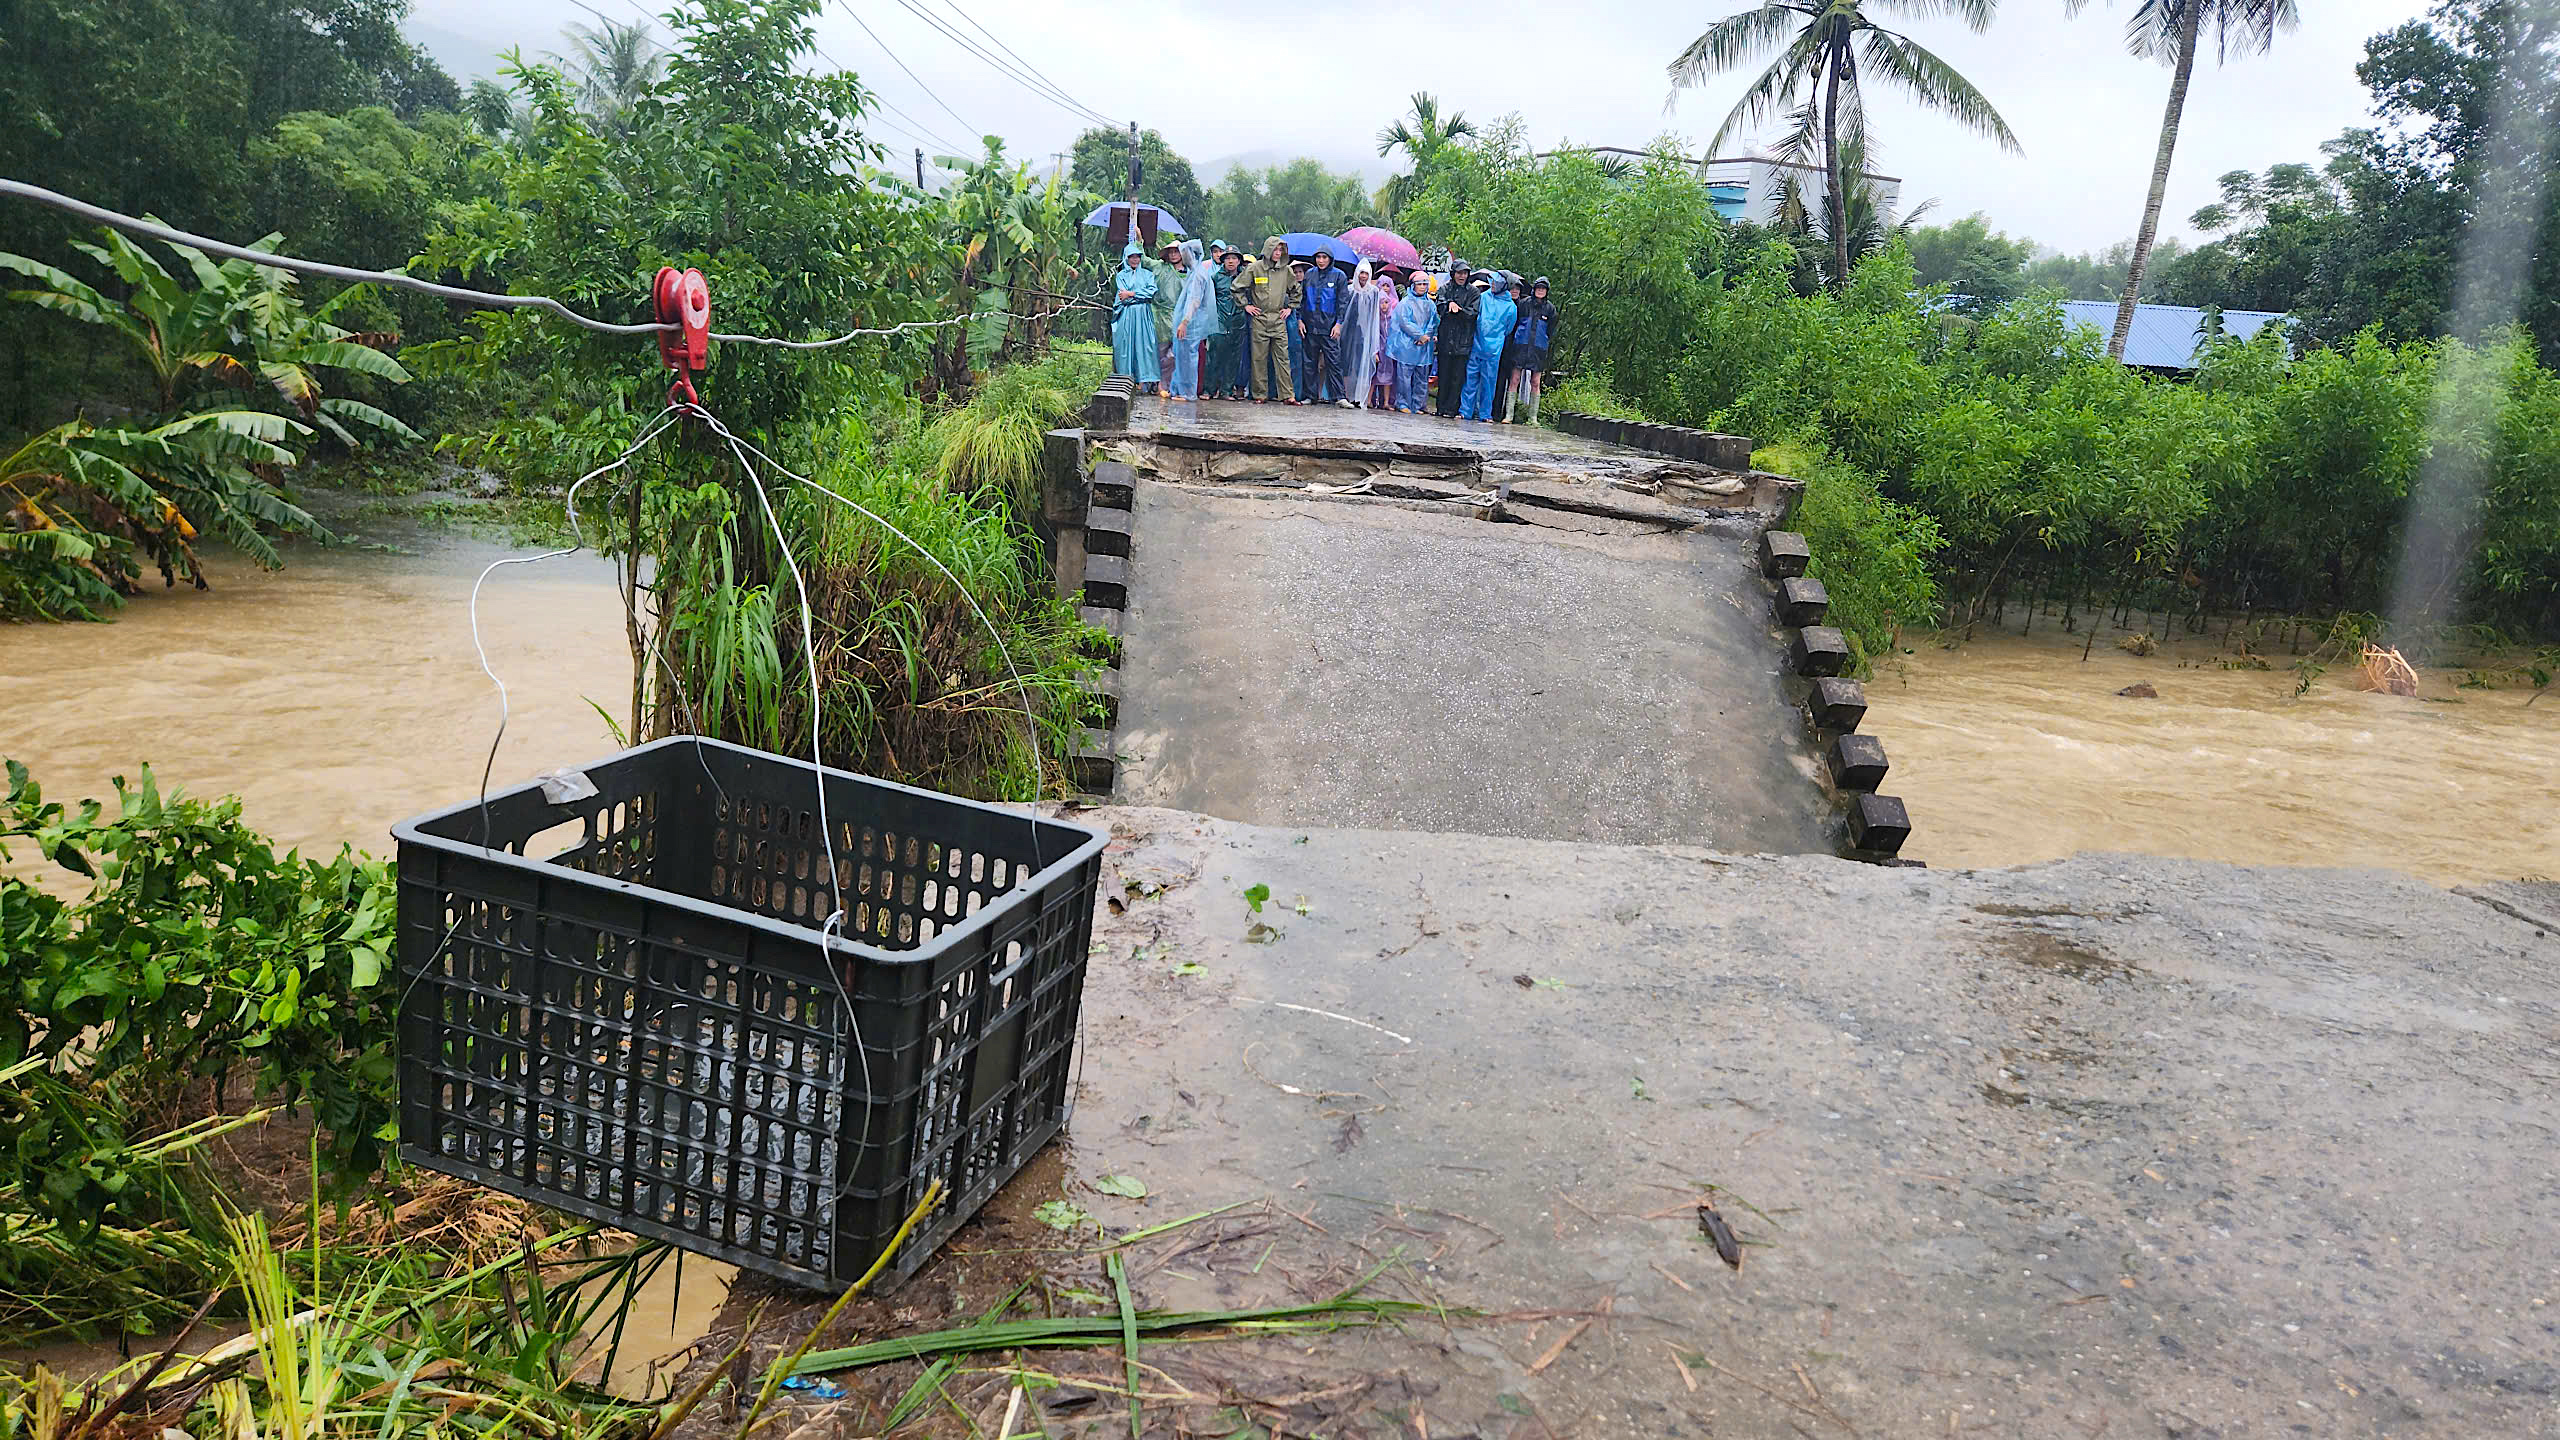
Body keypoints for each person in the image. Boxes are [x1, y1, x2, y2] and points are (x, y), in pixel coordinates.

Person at [1235, 236, 1300, 403]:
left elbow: (1296, 290)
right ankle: (1260, 394)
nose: (1278, 253)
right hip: (1260, 318)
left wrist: (1290, 308)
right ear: (1267, 250)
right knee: (1258, 358)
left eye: (1281, 250)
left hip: (1278, 318)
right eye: (1275, 249)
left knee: (1283, 358)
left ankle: (1288, 395)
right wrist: (1246, 306)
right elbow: (1236, 287)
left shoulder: (1286, 271)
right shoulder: (1255, 268)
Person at [1167, 238, 1222, 402]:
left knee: (1188, 358)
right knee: (1182, 356)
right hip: (1190, 322)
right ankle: (1178, 390)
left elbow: (1194, 300)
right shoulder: (1195, 272)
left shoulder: (1198, 274)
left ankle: (1187, 392)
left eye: (1185, 253)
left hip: (1192, 323)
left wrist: (1185, 321)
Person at [1298, 245, 1352, 406]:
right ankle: (1310, 395)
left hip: (1329, 328)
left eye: (1324, 257)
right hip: (1310, 326)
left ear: (1330, 259)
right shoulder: (1309, 275)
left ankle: (1339, 396)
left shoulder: (1339, 276)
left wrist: (1339, 324)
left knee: (1334, 362)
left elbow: (1343, 302)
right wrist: (1300, 319)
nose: (1321, 261)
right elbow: (1301, 300)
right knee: (1309, 362)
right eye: (1318, 257)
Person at [1461, 271, 1515, 422]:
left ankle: (1485, 414)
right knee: (1470, 380)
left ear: (1504, 285)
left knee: (1489, 382)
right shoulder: (1483, 297)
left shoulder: (1511, 307)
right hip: (1477, 345)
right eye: (1493, 281)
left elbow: (1508, 329)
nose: (1493, 284)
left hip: (1493, 350)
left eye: (1496, 282)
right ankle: (1465, 411)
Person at [1109, 241, 1161, 389]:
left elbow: (1151, 292)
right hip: (1126, 315)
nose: (1135, 260)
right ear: (1126, 258)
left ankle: (1147, 381)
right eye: (1131, 257)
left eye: (1137, 257)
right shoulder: (1120, 276)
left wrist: (1132, 293)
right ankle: (1127, 380)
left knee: (1145, 345)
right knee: (1126, 345)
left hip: (1143, 314)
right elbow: (1122, 296)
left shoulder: (1148, 274)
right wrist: (1137, 295)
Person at [1432, 259, 1480, 418]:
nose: (1462, 276)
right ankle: (1441, 408)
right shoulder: (1445, 288)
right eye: (1459, 273)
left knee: (1458, 377)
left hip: (1463, 341)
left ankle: (1452, 409)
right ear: (1453, 273)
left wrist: (1458, 310)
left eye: (1465, 273)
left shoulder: (1473, 292)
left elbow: (1473, 313)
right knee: (1443, 375)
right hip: (1446, 339)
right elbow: (1440, 306)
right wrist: (1449, 305)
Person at [1507, 276, 1558, 424]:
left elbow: (1551, 330)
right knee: (1514, 379)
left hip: (1538, 350)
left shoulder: (1550, 309)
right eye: (1538, 288)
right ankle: (1509, 414)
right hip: (1520, 347)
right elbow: (1515, 324)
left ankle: (1533, 417)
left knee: (1535, 382)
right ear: (1534, 289)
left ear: (1547, 291)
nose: (1540, 291)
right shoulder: (1523, 304)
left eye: (1543, 288)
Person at [1387, 272, 1437, 413]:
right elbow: (1404, 322)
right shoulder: (1405, 303)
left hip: (1424, 346)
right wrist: (1419, 335)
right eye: (1419, 284)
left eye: (1425, 284)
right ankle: (1402, 403)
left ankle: (1418, 405)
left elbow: (1433, 322)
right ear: (1413, 285)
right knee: (1404, 377)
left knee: (1422, 377)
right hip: (1407, 345)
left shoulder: (1430, 304)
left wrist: (1426, 336)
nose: (1422, 287)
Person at [1339, 261, 1383, 410]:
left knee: (1361, 366)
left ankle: (1358, 397)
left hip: (1364, 334)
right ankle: (1346, 395)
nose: (1363, 276)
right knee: (1346, 364)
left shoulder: (1374, 292)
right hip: (1348, 333)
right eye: (1361, 273)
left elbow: (1375, 317)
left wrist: (1374, 340)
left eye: (1366, 273)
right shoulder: (1349, 290)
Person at [1209, 245, 1249, 400]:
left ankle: (1226, 390)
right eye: (1228, 258)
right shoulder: (1215, 277)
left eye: (1234, 258)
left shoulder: (1245, 277)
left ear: (1239, 261)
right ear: (1223, 261)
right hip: (1219, 320)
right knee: (1215, 356)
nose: (1231, 261)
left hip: (1238, 320)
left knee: (1234, 358)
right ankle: (1209, 389)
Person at [1150, 237, 1186, 381]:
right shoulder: (1160, 267)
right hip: (1161, 317)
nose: (1173, 255)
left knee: (1175, 353)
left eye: (1176, 252)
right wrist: (1139, 240)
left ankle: (1169, 383)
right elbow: (1144, 261)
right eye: (1170, 252)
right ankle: (1157, 383)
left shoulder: (1189, 272)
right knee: (1160, 351)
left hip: (1181, 317)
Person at [1370, 270, 1400, 409]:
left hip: (1388, 348)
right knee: (1373, 375)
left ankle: (1386, 402)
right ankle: (1370, 399)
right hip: (1377, 348)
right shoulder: (1375, 317)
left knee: (1388, 375)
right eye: (1383, 285)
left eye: (1388, 285)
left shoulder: (1393, 314)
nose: (1386, 288)